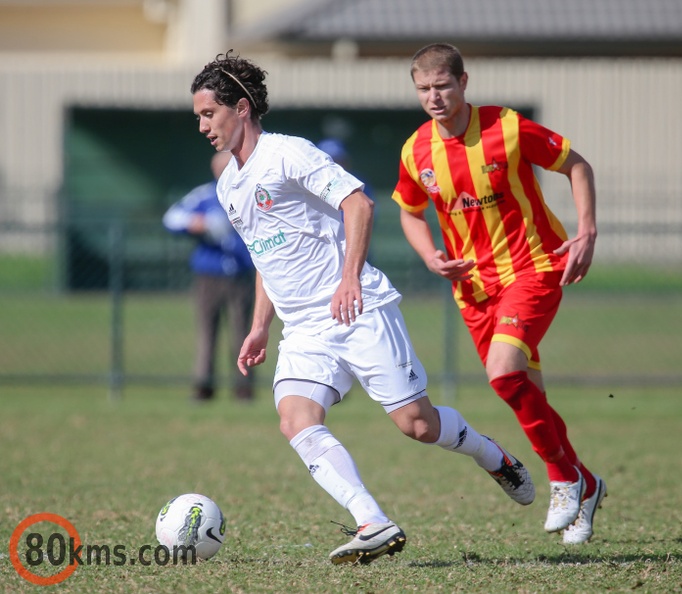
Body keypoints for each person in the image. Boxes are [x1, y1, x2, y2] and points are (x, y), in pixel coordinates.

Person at [191, 50, 535, 565]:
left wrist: (349, 278)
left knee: (417, 425)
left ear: (240, 108)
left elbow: (360, 203)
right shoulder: (228, 184)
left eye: (208, 114)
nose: (202, 126)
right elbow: (266, 255)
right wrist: (260, 326)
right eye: (197, 116)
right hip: (303, 328)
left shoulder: (290, 154)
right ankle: (372, 521)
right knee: (295, 419)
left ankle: (494, 456)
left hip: (358, 309)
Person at [392, 43, 606, 545]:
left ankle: (563, 476)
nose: (434, 97)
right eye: (424, 89)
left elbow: (577, 165)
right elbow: (408, 210)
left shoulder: (507, 127)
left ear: (464, 83)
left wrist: (588, 229)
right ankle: (586, 482)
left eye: (442, 85)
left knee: (503, 372)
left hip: (534, 266)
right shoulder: (415, 150)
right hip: (474, 289)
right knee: (520, 389)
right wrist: (429, 255)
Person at [163, 151, 256, 402]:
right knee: (207, 334)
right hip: (209, 276)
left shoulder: (250, 192)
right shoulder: (204, 195)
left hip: (242, 274)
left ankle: (244, 388)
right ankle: (204, 387)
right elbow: (172, 218)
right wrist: (198, 223)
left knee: (243, 334)